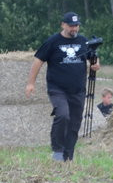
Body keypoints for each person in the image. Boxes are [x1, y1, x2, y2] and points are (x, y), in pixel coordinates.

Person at [25, 12, 100, 162]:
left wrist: (96, 63)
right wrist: (30, 83)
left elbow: (93, 57)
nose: (74, 28)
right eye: (71, 26)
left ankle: (69, 155)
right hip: (57, 88)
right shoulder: (53, 41)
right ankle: (57, 150)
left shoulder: (83, 41)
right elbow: (38, 61)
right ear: (63, 25)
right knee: (63, 115)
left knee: (75, 122)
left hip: (78, 89)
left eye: (76, 25)